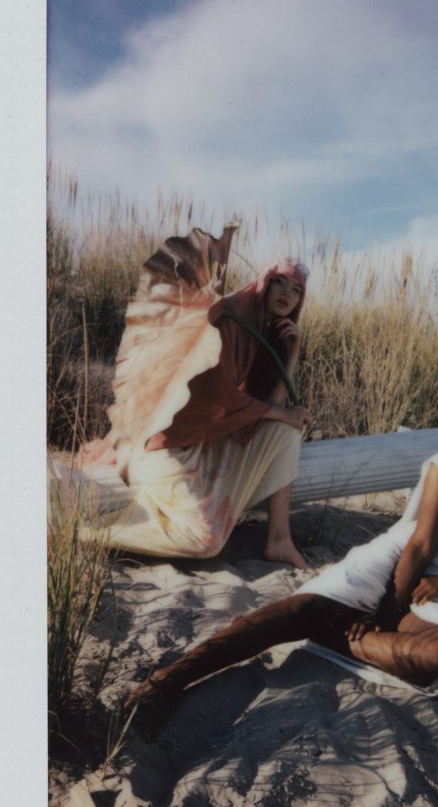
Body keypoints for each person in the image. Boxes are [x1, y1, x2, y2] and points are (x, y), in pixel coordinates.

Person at [125, 371, 438, 721]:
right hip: (397, 562)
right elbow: (419, 545)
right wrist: (386, 614)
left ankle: (332, 633)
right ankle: (170, 678)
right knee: (290, 612)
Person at [81, 226, 313, 568]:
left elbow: (271, 410)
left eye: (296, 290)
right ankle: (85, 533)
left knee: (286, 431)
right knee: (206, 540)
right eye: (281, 282)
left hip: (202, 443)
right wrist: (280, 414)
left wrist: (290, 354)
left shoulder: (262, 329)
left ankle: (279, 540)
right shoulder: (233, 315)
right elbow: (217, 396)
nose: (287, 294)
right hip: (165, 446)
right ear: (265, 282)